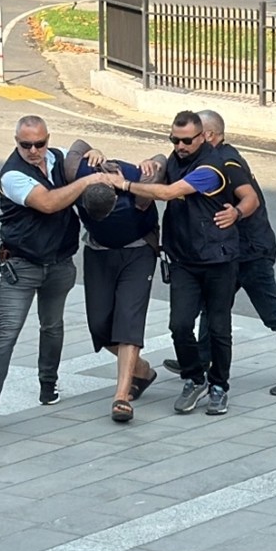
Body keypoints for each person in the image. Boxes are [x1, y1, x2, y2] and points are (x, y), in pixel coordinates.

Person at [88, 110, 258, 417]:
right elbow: (158, 171)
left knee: (219, 327)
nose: (179, 146)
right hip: (183, 258)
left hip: (218, 259)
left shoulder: (212, 165)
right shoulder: (177, 157)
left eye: (185, 141)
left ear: (204, 137)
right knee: (179, 325)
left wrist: (124, 184)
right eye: (174, 140)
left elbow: (168, 192)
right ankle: (195, 378)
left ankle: (219, 386)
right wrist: (144, 163)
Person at [157, 110, 276, 396]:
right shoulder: (199, 161)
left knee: (272, 313)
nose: (183, 146)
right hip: (224, 252)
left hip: (251, 251)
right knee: (213, 309)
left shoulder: (227, 162)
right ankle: (199, 360)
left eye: (196, 137)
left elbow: (250, 199)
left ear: (210, 136)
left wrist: (237, 213)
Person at [0, 116, 100, 428]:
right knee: (6, 332)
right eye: (26, 145)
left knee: (52, 326)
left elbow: (81, 154)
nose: (34, 150)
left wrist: (95, 154)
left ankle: (48, 385)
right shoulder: (12, 175)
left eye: (40, 143)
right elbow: (49, 203)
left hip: (60, 263)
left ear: (47, 139)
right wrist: (86, 182)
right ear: (16, 142)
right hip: (22, 266)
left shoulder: (57, 157)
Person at [63, 140, 168, 423]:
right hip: (99, 252)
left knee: (128, 321)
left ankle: (120, 397)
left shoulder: (134, 182)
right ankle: (142, 370)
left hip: (138, 250)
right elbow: (78, 145)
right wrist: (94, 150)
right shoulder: (79, 174)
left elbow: (162, 160)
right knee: (99, 325)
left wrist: (152, 161)